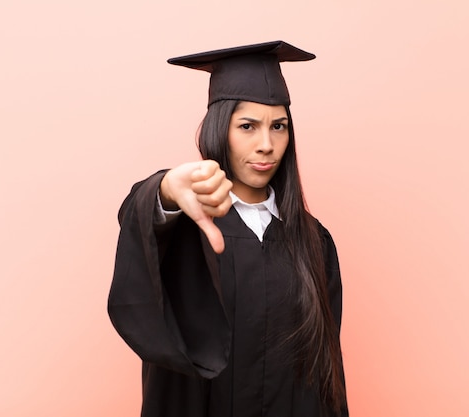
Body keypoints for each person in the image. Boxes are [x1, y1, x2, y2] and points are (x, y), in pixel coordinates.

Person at [108, 41, 349, 417]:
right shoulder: (185, 230)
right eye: (247, 126)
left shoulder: (313, 241)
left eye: (278, 126)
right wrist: (167, 188)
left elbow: (326, 376)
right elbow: (140, 214)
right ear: (221, 129)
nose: (266, 144)